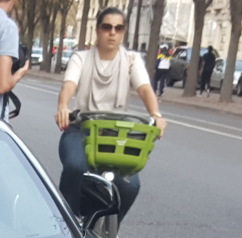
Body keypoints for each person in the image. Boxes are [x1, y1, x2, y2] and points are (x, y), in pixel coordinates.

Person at [55, 7, 166, 220]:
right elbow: (69, 85)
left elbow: (144, 89)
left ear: (123, 32)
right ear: (97, 30)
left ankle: (110, 230)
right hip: (81, 129)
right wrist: (63, 107)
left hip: (116, 136)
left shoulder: (131, 60)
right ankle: (66, 221)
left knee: (130, 185)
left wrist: (156, 114)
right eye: (107, 27)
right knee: (75, 167)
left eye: (118, 28)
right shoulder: (81, 58)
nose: (112, 32)